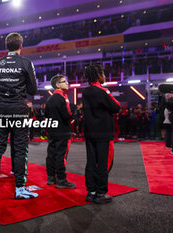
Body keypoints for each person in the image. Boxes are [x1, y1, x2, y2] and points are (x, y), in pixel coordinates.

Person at [0, 32, 38, 199]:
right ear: (21, 46)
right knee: (20, 148)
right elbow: (33, 90)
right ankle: (20, 188)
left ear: (6, 46)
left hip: (2, 108)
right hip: (18, 108)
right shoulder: (26, 62)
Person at [82, 64, 120, 204]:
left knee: (91, 162)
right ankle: (101, 192)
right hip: (103, 132)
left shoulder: (86, 91)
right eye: (103, 73)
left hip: (90, 132)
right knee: (103, 162)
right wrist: (108, 93)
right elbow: (116, 107)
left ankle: (91, 191)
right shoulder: (103, 91)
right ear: (98, 75)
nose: (104, 76)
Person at [45, 75, 76, 189]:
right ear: (57, 85)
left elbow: (46, 115)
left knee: (51, 154)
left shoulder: (50, 99)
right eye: (64, 82)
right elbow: (67, 115)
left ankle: (51, 177)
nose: (67, 83)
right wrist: (72, 118)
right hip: (62, 131)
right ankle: (61, 179)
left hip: (52, 131)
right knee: (60, 155)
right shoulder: (62, 98)